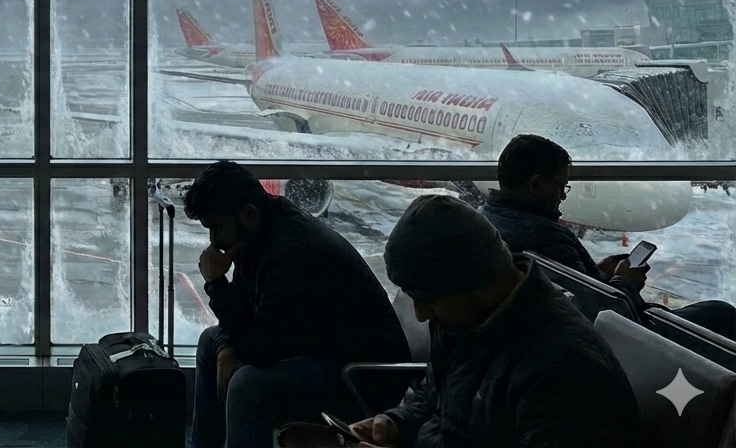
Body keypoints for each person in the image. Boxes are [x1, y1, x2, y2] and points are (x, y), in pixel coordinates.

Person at [350, 194, 639, 448]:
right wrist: (395, 425)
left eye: (429, 300)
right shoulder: (468, 320)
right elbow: (437, 397)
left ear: (479, 285)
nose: (421, 314)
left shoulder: (566, 371)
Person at [184, 161, 410, 448]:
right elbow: (247, 311)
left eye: (217, 228)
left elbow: (261, 348)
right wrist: (226, 345)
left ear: (248, 214)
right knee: (210, 342)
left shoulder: (291, 252)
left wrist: (216, 284)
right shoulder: (256, 233)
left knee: (247, 386)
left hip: (358, 378)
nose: (213, 241)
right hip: (315, 353)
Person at [483, 133, 736, 339]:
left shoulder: (489, 221)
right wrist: (626, 282)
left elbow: (576, 288)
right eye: (561, 187)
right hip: (631, 340)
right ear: (536, 185)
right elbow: (603, 317)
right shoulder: (542, 235)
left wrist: (602, 273)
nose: (562, 196)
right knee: (721, 315)